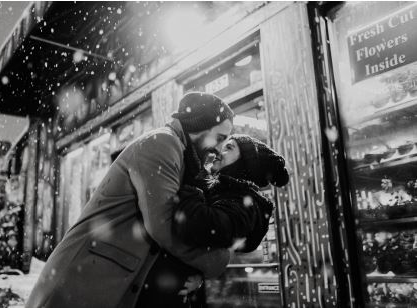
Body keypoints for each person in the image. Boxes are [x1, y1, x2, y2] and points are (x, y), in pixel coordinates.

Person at [26, 92, 235, 308]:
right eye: (219, 138)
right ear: (199, 125)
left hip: (101, 284)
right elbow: (163, 226)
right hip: (81, 282)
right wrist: (216, 261)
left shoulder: (182, 156)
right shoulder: (163, 143)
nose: (219, 149)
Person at [135, 134, 289, 307]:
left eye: (229, 148)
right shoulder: (222, 192)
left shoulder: (244, 203)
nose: (219, 151)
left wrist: (192, 181)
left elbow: (200, 225)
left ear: (244, 163)